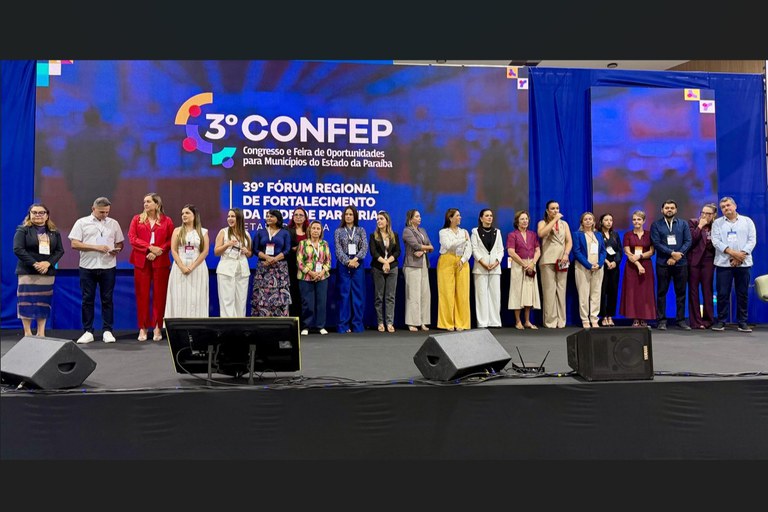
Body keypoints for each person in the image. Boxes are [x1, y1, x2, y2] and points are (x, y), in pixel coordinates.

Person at [69, 197, 125, 344]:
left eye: (107, 212)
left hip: (108, 266)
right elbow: (74, 244)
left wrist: (116, 250)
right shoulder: (81, 222)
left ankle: (107, 330)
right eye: (101, 212)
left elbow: (120, 242)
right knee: (87, 299)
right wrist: (96, 247)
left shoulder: (114, 223)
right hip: (88, 267)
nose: (105, 215)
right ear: (93, 209)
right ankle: (88, 331)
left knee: (107, 300)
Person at [13, 203, 65, 338]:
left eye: (41, 212)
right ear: (30, 215)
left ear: (47, 215)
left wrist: (48, 263)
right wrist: (35, 264)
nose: (38, 215)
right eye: (34, 212)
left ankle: (41, 333)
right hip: (27, 272)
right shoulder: (23, 230)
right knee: (26, 302)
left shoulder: (54, 232)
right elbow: (18, 249)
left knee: (43, 302)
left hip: (47, 273)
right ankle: (28, 333)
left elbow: (60, 251)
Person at [128, 193, 174, 341]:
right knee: (142, 296)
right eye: (144, 202)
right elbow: (132, 239)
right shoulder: (137, 219)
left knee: (160, 296)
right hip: (142, 261)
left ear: (157, 204)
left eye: (148, 202)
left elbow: (171, 240)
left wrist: (157, 252)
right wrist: (149, 248)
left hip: (160, 262)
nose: (145, 204)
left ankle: (157, 327)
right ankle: (142, 328)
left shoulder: (167, 221)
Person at [710, 196, 757, 332]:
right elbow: (716, 242)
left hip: (744, 263)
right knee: (722, 293)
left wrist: (740, 256)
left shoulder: (747, 221)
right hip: (723, 264)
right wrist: (733, 253)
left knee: (742, 293)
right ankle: (721, 321)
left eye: (728, 205)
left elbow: (752, 240)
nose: (726, 208)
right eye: (723, 207)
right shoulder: (717, 223)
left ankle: (742, 322)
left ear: (735, 206)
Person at [650, 199, 692, 330]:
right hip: (663, 263)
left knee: (681, 293)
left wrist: (677, 256)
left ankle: (681, 320)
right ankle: (661, 320)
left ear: (676, 210)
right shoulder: (656, 225)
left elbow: (688, 241)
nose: (669, 209)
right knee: (661, 292)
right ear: (662, 210)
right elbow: (656, 243)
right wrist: (672, 253)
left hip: (681, 263)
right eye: (667, 207)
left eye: (672, 208)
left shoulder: (683, 224)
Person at [165, 204, 210, 319]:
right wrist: (182, 266)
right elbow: (173, 250)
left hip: (197, 268)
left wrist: (191, 267)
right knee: (179, 296)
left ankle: (197, 326)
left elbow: (205, 251)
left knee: (196, 297)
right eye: (182, 213)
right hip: (179, 268)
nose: (184, 215)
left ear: (194, 216)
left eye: (187, 213)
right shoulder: (177, 231)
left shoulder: (203, 232)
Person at [537, 200, 573, 328]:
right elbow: (541, 233)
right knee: (549, 291)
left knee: (561, 290)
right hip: (547, 260)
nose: (556, 211)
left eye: (557, 208)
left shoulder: (564, 224)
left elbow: (569, 242)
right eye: (553, 208)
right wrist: (554, 220)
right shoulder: (543, 223)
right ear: (547, 210)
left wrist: (566, 254)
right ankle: (550, 321)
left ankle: (561, 320)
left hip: (562, 260)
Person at [251, 209, 292, 317]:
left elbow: (287, 250)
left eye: (271, 216)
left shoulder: (285, 233)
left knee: (280, 297)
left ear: (277, 219)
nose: (268, 218)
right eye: (267, 216)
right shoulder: (260, 232)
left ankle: (280, 323)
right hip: (263, 268)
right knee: (262, 296)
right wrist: (267, 258)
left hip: (280, 269)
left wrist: (274, 259)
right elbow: (255, 249)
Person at [334, 205, 368, 333]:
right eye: (346, 214)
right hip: (343, 266)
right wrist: (348, 261)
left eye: (351, 214)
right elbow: (338, 249)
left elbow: (364, 247)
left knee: (358, 296)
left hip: (358, 265)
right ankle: (343, 325)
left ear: (355, 216)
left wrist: (356, 260)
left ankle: (357, 324)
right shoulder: (338, 231)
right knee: (344, 296)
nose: (348, 216)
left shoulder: (361, 230)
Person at [619, 210, 656, 327]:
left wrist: (640, 256)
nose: (636, 222)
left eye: (639, 219)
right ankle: (635, 317)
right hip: (632, 267)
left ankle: (644, 317)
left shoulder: (649, 234)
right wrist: (638, 265)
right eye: (634, 219)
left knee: (645, 293)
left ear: (644, 221)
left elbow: (651, 251)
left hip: (647, 266)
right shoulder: (627, 235)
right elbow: (628, 253)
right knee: (632, 293)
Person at [437, 208, 472, 331]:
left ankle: (461, 323)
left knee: (462, 293)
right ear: (450, 218)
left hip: (462, 261)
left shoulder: (464, 231)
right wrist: (464, 239)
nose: (460, 217)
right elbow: (448, 245)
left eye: (460, 215)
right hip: (446, 261)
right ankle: (447, 323)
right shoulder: (443, 232)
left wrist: (463, 260)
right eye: (457, 215)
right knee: (447, 293)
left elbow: (469, 248)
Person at [214, 208, 253, 317]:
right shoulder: (223, 232)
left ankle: (239, 327)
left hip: (242, 269)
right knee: (227, 300)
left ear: (239, 218)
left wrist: (247, 251)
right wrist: (227, 245)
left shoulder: (246, 234)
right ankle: (228, 328)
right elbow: (216, 252)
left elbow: (250, 253)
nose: (230, 219)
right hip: (226, 269)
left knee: (241, 300)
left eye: (233, 216)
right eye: (228, 216)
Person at [506, 210, 540, 329]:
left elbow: (537, 250)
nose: (525, 221)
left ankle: (527, 321)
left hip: (531, 264)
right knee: (517, 291)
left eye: (526, 219)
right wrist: (523, 264)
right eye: (522, 219)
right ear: (517, 221)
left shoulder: (533, 234)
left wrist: (532, 263)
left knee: (528, 292)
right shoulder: (512, 235)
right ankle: (518, 321)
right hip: (518, 265)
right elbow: (511, 251)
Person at [401, 209, 434, 332]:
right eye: (417, 216)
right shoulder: (407, 231)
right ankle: (412, 322)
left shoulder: (423, 231)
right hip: (412, 265)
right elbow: (416, 245)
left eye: (420, 216)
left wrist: (424, 249)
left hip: (424, 264)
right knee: (413, 295)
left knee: (425, 294)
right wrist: (426, 248)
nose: (420, 218)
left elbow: (430, 246)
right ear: (411, 219)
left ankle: (423, 321)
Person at [572, 211, 607, 328]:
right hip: (583, 268)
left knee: (596, 294)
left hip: (598, 268)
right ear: (582, 222)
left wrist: (599, 263)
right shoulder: (577, 234)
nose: (588, 221)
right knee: (584, 294)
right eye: (585, 219)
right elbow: (576, 251)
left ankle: (594, 318)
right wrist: (588, 265)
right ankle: (585, 319)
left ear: (594, 222)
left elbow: (603, 251)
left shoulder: (598, 235)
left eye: (590, 219)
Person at [296, 220, 331, 336]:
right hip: (306, 277)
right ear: (309, 230)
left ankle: (320, 326)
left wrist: (321, 273)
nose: (316, 231)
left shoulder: (324, 244)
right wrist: (310, 273)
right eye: (313, 228)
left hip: (322, 277)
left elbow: (328, 261)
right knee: (307, 303)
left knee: (321, 302)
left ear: (321, 231)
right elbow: (299, 261)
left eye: (318, 229)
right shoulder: (303, 244)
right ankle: (306, 326)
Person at [470, 208, 504, 328]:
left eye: (491, 215)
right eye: (487, 215)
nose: (489, 217)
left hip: (495, 268)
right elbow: (474, 249)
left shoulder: (497, 232)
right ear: (481, 218)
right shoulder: (475, 232)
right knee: (481, 295)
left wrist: (496, 262)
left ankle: (495, 321)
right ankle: (483, 322)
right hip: (480, 268)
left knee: (495, 295)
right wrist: (483, 262)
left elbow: (501, 250)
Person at [369, 211, 401, 332]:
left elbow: (397, 252)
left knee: (390, 297)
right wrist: (384, 262)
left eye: (381, 219)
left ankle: (389, 323)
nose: (379, 221)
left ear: (387, 221)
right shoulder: (373, 236)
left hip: (393, 267)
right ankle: (380, 322)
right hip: (378, 267)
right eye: (377, 219)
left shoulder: (394, 235)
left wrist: (388, 262)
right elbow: (374, 252)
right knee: (379, 296)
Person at [687, 203, 717, 329]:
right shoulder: (693, 223)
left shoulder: (717, 226)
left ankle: (708, 320)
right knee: (693, 291)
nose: (704, 215)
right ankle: (696, 321)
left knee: (707, 290)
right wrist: (700, 226)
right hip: (694, 261)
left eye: (708, 213)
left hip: (709, 261)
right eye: (702, 213)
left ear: (714, 215)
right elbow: (691, 240)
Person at [598, 213, 622, 326]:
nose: (609, 222)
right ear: (601, 221)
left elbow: (619, 251)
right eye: (606, 220)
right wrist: (606, 261)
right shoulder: (597, 234)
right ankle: (603, 316)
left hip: (614, 267)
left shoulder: (615, 234)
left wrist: (615, 262)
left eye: (611, 220)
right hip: (603, 267)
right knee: (602, 292)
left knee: (613, 292)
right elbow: (597, 251)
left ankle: (610, 316)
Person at [286, 207, 310, 324]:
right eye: (296, 215)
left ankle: (304, 323)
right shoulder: (287, 230)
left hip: (307, 268)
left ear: (305, 217)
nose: (298, 217)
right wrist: (296, 249)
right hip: (291, 266)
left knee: (304, 296)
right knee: (293, 294)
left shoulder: (309, 231)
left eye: (301, 215)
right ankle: (293, 323)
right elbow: (284, 248)